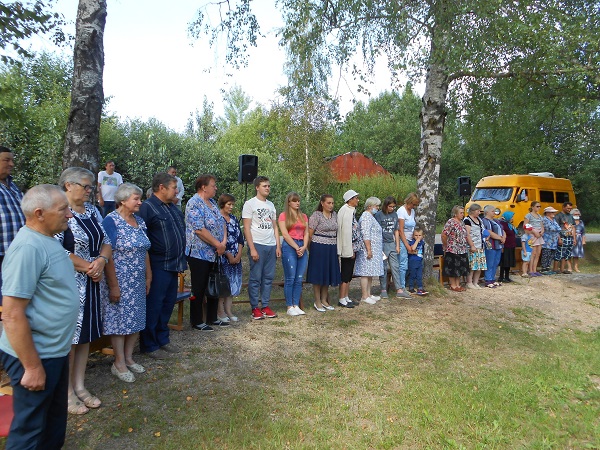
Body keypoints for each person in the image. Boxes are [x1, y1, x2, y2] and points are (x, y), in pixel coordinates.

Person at [0, 185, 79, 449]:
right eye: (63, 209)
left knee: (53, 423)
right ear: (39, 213)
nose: (69, 214)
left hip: (53, 352)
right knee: (30, 429)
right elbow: (11, 314)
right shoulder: (27, 249)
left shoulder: (48, 240)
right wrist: (32, 367)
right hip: (35, 356)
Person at [56, 167, 118, 415]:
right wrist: (88, 267)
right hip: (70, 284)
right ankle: (66, 393)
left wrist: (101, 262)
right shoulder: (59, 210)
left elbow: (106, 241)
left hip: (93, 281)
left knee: (85, 337)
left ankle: (80, 386)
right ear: (68, 186)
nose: (90, 190)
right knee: (70, 339)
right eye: (86, 186)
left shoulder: (92, 211)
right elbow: (56, 249)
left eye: (92, 186)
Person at [102, 183, 152, 382]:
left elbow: (144, 249)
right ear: (122, 200)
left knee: (137, 319)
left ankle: (129, 358)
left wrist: (148, 275)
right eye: (136, 199)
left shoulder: (139, 221)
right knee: (120, 322)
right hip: (120, 280)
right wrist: (113, 285)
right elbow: (108, 254)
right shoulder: (110, 221)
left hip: (138, 280)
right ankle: (119, 362)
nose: (140, 202)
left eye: (140, 198)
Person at [138, 172, 186, 359]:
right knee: (154, 305)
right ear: (161, 188)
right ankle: (149, 345)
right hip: (158, 265)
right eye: (174, 188)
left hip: (174, 264)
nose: (177, 191)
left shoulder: (173, 208)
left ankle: (162, 339)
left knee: (167, 304)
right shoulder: (148, 208)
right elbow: (143, 238)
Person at [186, 174, 228, 331]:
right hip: (199, 253)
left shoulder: (211, 203)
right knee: (199, 286)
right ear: (203, 187)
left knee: (213, 283)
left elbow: (221, 223)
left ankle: (212, 317)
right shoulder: (193, 203)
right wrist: (218, 244)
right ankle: (197, 320)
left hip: (215, 252)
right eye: (213, 185)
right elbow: (199, 229)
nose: (215, 188)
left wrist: (222, 242)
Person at [242, 176, 281, 320]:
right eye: (265, 186)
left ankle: (265, 305)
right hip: (257, 243)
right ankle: (254, 308)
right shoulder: (250, 204)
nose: (267, 188)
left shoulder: (271, 205)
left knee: (268, 278)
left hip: (270, 245)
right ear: (257, 187)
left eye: (269, 186)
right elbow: (246, 228)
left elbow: (275, 227)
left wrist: (278, 245)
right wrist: (252, 248)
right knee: (255, 278)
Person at [0, 146, 25, 303]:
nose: (11, 164)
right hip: (2, 251)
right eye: (6, 160)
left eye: (12, 160)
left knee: (12, 299)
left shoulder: (13, 186)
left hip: (17, 251)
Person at [306, 194, 340, 311]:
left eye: (332, 203)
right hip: (319, 247)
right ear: (322, 203)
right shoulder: (316, 215)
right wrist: (311, 248)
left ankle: (325, 299)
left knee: (328, 273)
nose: (331, 205)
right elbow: (310, 234)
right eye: (328, 203)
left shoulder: (334, 215)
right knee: (318, 274)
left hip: (331, 247)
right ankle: (317, 301)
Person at [278, 192, 309, 316]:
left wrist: (304, 246)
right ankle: (289, 306)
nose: (297, 203)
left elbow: (306, 233)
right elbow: (285, 234)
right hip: (290, 246)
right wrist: (296, 247)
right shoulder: (283, 216)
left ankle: (296, 304)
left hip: (302, 245)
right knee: (290, 277)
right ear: (289, 203)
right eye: (294, 201)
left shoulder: (304, 216)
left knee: (299, 278)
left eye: (298, 201)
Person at [374, 196, 411, 299]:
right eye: (390, 206)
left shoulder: (395, 215)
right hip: (382, 244)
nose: (392, 208)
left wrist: (397, 245)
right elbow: (376, 231)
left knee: (395, 266)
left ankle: (399, 289)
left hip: (391, 244)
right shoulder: (378, 215)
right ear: (385, 205)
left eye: (393, 206)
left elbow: (396, 230)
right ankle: (383, 289)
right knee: (383, 268)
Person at [218, 193, 244, 322]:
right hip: (224, 258)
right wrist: (228, 255)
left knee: (232, 285)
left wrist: (238, 254)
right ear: (223, 204)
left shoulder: (233, 219)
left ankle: (229, 310)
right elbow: (218, 239)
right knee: (223, 285)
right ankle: (220, 311)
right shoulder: (218, 218)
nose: (231, 207)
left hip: (236, 257)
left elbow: (240, 238)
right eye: (229, 204)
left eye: (233, 204)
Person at [354, 197, 384, 305]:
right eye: (376, 206)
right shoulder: (366, 217)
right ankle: (364, 295)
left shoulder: (371, 216)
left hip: (374, 249)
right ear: (370, 206)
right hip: (367, 249)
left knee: (370, 272)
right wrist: (369, 249)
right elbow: (366, 234)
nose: (378, 208)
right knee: (365, 273)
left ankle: (369, 293)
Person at [337, 189, 361, 308]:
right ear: (350, 199)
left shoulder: (351, 210)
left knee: (349, 273)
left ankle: (346, 296)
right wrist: (349, 249)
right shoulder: (345, 210)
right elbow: (345, 232)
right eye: (356, 198)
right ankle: (342, 298)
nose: (357, 200)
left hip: (353, 246)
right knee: (345, 273)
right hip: (348, 247)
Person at [396, 193, 420, 298]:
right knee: (403, 264)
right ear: (409, 202)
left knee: (410, 263)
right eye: (413, 204)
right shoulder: (401, 211)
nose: (413, 207)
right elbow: (400, 230)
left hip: (410, 239)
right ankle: (401, 287)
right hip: (402, 240)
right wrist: (406, 245)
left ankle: (406, 284)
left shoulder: (413, 211)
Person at [441, 206, 469, 292]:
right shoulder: (451, 222)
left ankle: (458, 284)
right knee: (453, 267)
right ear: (455, 213)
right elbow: (444, 234)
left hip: (462, 249)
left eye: (463, 213)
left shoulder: (462, 222)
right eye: (461, 213)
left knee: (460, 267)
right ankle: (453, 285)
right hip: (453, 248)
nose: (462, 214)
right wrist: (446, 245)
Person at [481, 205, 505, 288]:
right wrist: (499, 238)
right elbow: (489, 232)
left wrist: (503, 237)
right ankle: (488, 279)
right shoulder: (485, 221)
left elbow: (502, 229)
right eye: (492, 211)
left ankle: (492, 278)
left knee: (496, 262)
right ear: (487, 212)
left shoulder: (496, 220)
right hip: (491, 244)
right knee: (490, 262)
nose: (494, 212)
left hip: (498, 244)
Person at [464, 203, 486, 289]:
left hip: (480, 245)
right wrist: (472, 245)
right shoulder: (467, 220)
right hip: (472, 246)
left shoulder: (479, 220)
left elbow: (483, 230)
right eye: (478, 211)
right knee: (472, 266)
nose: (479, 213)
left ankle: (475, 282)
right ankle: (469, 282)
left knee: (479, 265)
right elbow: (467, 234)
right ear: (472, 211)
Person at [523, 201, 544, 276]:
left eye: (539, 206)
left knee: (538, 253)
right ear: (532, 207)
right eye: (537, 206)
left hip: (539, 236)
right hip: (532, 235)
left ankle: (535, 269)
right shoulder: (528, 215)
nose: (538, 208)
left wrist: (542, 232)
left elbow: (542, 226)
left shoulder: (540, 216)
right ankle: (530, 270)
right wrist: (534, 232)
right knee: (533, 253)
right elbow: (525, 226)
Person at [554, 202, 575, 274]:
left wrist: (574, 238)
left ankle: (562, 269)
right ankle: (555, 269)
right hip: (562, 236)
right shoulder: (558, 216)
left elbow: (573, 227)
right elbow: (556, 228)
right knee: (559, 253)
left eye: (570, 209)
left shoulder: (571, 216)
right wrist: (559, 238)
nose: (569, 210)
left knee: (566, 254)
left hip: (569, 237)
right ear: (563, 207)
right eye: (568, 208)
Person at [407, 227, 428, 295]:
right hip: (413, 260)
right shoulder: (412, 241)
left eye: (419, 235)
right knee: (412, 275)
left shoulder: (422, 242)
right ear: (413, 236)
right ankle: (411, 287)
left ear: (422, 236)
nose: (418, 237)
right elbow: (412, 248)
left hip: (419, 261)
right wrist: (416, 241)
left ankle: (420, 287)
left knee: (419, 275)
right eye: (416, 235)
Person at [497, 211, 517, 282]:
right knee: (504, 262)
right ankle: (501, 277)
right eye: (511, 217)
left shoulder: (509, 224)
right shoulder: (502, 224)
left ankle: (507, 276)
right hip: (505, 246)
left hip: (511, 245)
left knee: (509, 262)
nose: (512, 218)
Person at [540, 206, 561, 274]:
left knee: (552, 254)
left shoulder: (554, 220)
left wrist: (559, 238)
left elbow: (558, 228)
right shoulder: (545, 220)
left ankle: (548, 267)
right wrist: (556, 229)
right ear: (547, 213)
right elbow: (551, 228)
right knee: (546, 253)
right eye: (552, 212)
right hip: (547, 240)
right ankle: (543, 268)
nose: (554, 213)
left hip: (554, 240)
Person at [571, 208, 586, 272]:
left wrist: (583, 240)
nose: (577, 215)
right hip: (571, 238)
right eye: (575, 214)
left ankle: (576, 267)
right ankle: (569, 267)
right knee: (569, 254)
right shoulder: (570, 221)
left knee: (576, 254)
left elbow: (583, 232)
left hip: (579, 239)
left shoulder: (581, 222)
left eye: (578, 214)